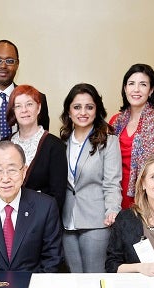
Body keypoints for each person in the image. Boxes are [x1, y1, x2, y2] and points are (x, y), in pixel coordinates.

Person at [0, 141, 63, 273]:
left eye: (12, 170)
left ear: (24, 171)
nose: (5, 178)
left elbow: (52, 259)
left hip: (32, 286)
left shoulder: (46, 206)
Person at [60, 83, 122, 273]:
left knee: (95, 278)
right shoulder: (61, 141)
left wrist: (113, 209)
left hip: (97, 219)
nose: (83, 112)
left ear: (97, 110)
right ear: (69, 111)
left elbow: (112, 182)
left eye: (89, 107)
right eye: (77, 107)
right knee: (75, 279)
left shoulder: (109, 141)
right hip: (67, 220)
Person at [110, 64, 154, 210]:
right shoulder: (115, 121)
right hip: (115, 194)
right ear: (125, 88)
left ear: (151, 90)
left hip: (148, 195)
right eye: (131, 84)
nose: (136, 89)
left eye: (143, 84)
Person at [6, 84, 67, 209]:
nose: (24, 110)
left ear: (38, 108)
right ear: (14, 111)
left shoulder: (55, 145)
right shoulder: (4, 144)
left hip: (41, 219)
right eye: (18, 106)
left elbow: (58, 195)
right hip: (7, 219)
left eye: (29, 104)